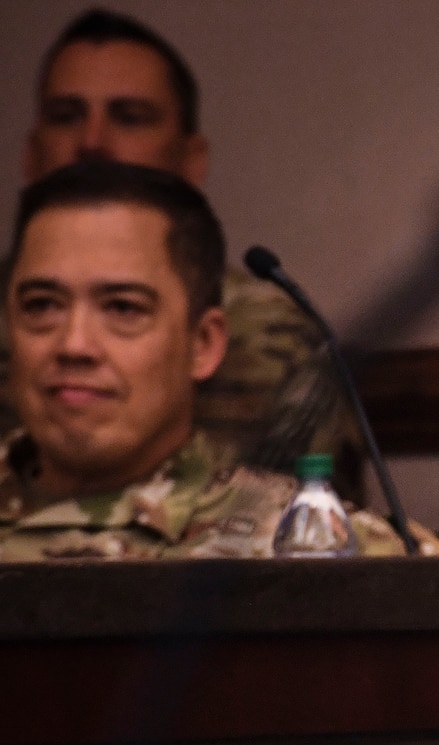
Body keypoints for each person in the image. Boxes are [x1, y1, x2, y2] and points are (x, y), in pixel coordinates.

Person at [0, 161, 439, 558]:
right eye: (41, 305)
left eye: (123, 308)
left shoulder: (304, 544)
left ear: (203, 345)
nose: (74, 344)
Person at [3, 8, 358, 494]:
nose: (92, 143)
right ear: (30, 151)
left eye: (123, 308)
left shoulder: (277, 337)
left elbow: (320, 537)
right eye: (41, 305)